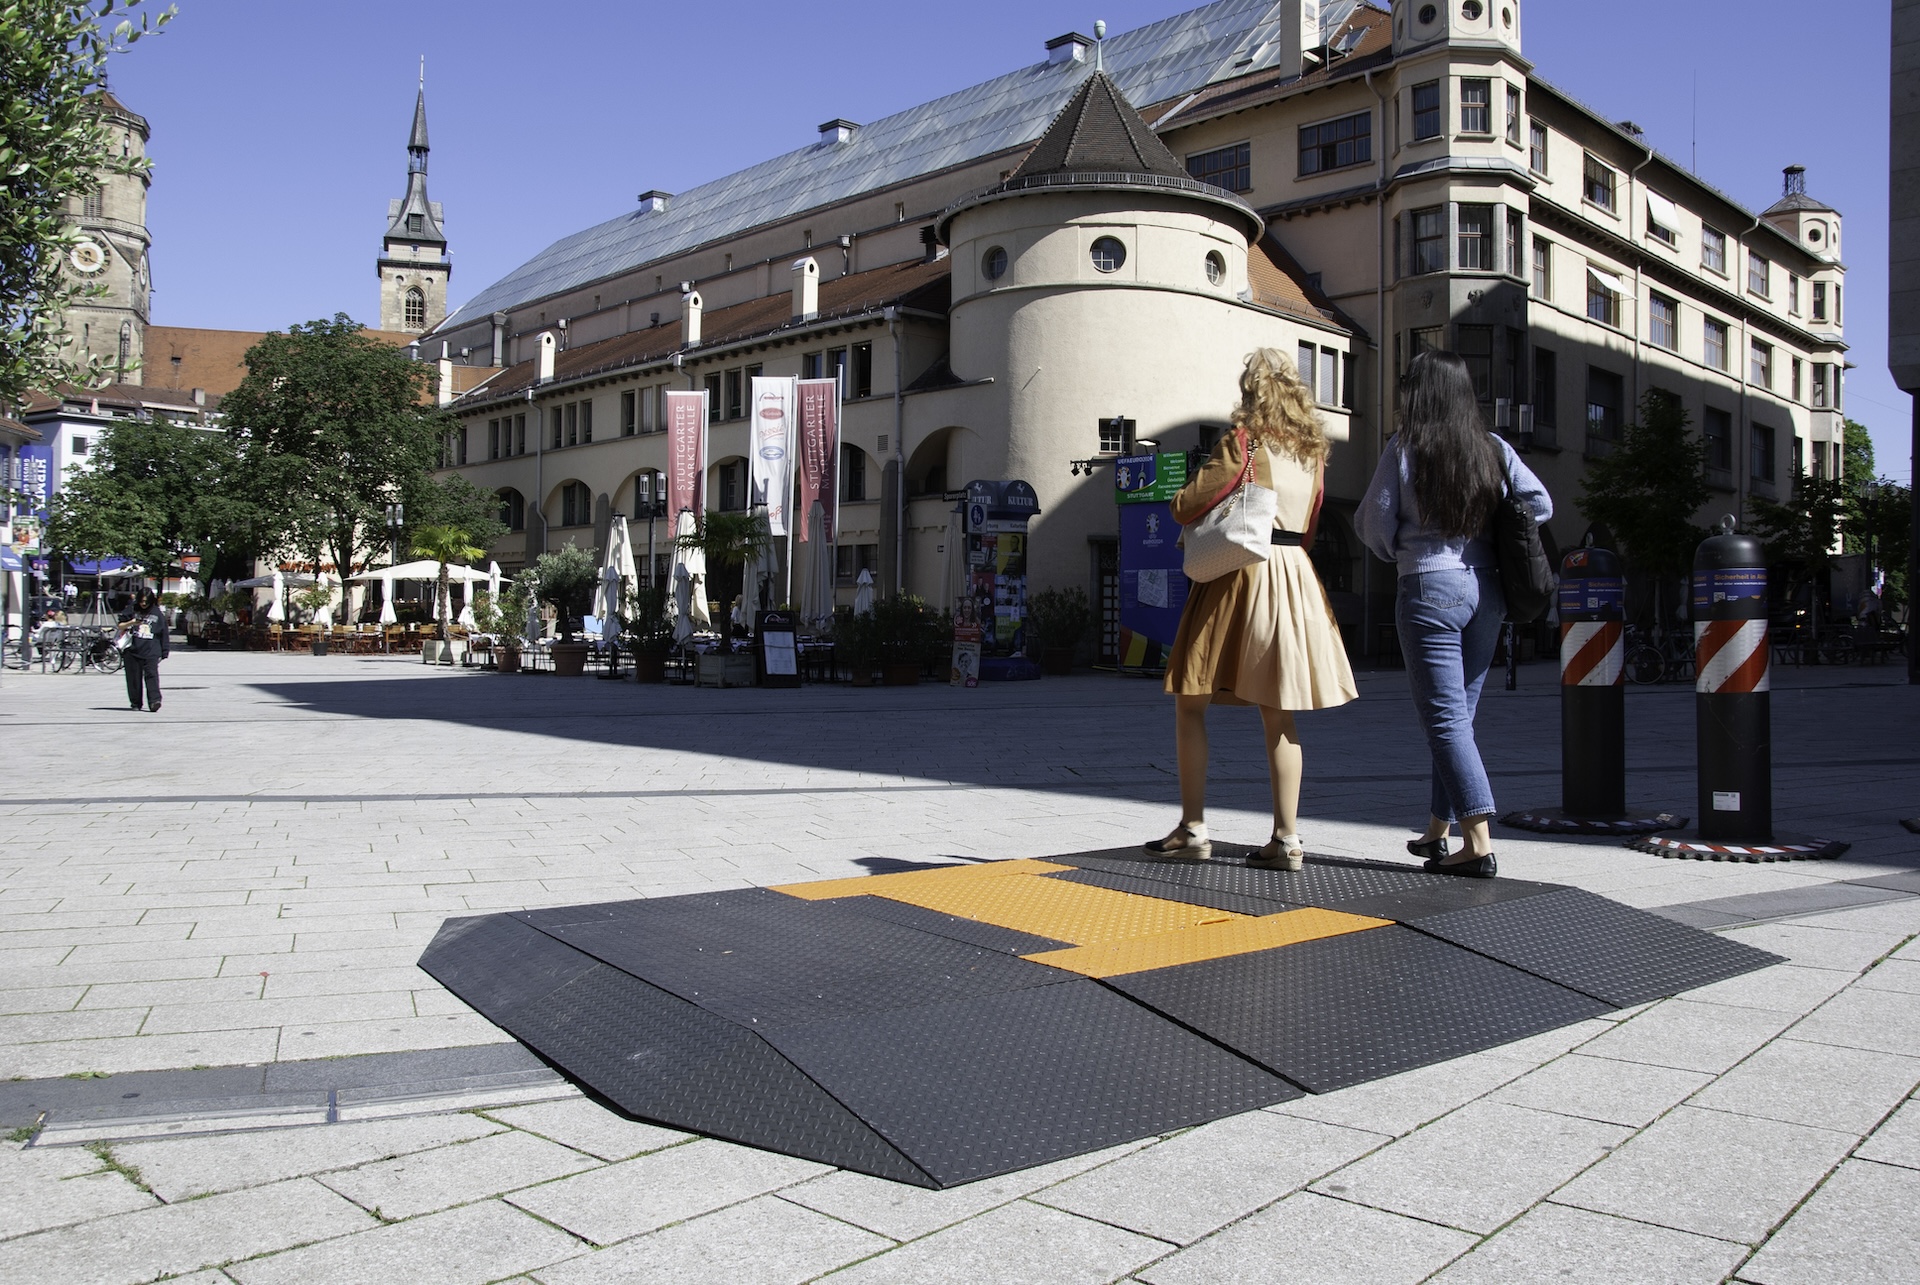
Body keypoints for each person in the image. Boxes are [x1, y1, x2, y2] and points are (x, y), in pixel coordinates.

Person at [1147, 348, 1357, 868]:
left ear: (1251, 392)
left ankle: (1193, 827)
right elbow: (1309, 527)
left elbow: (1186, 505)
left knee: (1191, 699)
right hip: (1293, 574)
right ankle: (1287, 839)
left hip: (1241, 572)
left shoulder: (1243, 442)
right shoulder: (1312, 454)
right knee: (1278, 709)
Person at [1358, 351, 1551, 878]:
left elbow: (1373, 522)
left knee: (1444, 723)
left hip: (1428, 586)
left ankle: (1479, 844)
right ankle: (1437, 831)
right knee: (1458, 719)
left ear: (1419, 393)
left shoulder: (1405, 446)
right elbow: (1541, 503)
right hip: (1488, 591)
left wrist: (1405, 547)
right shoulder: (1491, 447)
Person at [117, 587, 170, 712]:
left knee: (152, 675)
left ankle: (154, 701)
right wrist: (132, 623)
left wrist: (164, 651)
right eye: (141, 601)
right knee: (133, 678)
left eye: (146, 601)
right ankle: (135, 703)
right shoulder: (132, 609)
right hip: (132, 649)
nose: (143, 604)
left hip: (151, 650)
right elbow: (120, 625)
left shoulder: (157, 613)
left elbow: (164, 633)